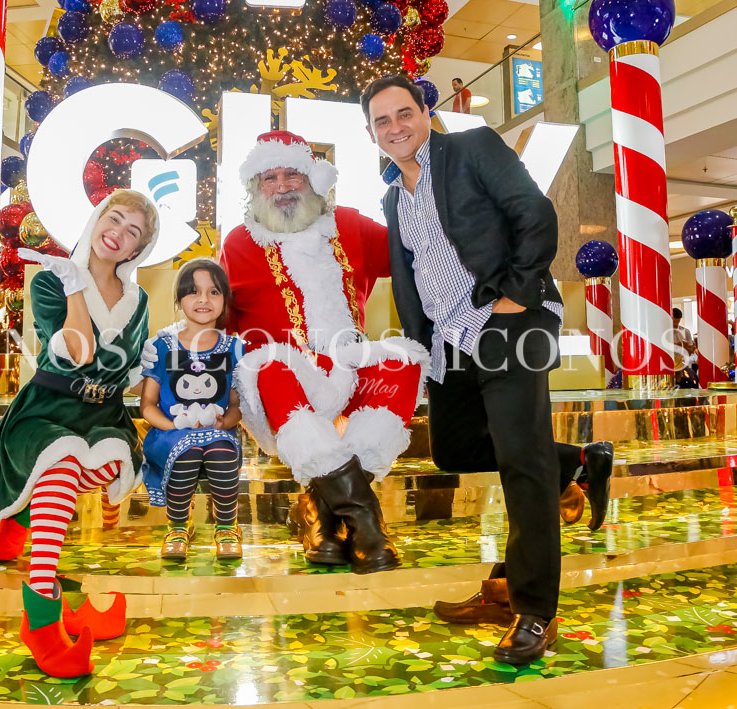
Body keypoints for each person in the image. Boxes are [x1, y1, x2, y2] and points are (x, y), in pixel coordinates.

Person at [362, 75, 614, 665]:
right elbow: (412, 273)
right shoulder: (394, 194)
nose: (396, 127)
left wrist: (516, 297)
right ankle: (579, 461)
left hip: (507, 324)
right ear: (370, 132)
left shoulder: (471, 150)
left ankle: (530, 610)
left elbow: (535, 213)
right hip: (448, 340)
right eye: (381, 121)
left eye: (405, 113)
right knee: (455, 448)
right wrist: (420, 343)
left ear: (426, 111)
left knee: (522, 466)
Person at [0, 189, 157, 678]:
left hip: (104, 416)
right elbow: (80, 352)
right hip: (45, 409)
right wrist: (74, 287)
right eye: (115, 218)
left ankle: (21, 521)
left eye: (134, 232)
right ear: (98, 218)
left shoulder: (138, 299)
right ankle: (41, 613)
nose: (119, 233)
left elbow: (123, 368)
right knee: (60, 463)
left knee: (110, 466)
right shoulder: (51, 279)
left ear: (136, 250)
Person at [218, 130, 429, 575]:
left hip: (346, 371)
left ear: (314, 178)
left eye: (292, 173)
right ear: (256, 189)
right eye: (269, 177)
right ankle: (367, 524)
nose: (283, 185)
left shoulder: (351, 225)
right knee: (269, 362)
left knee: (405, 359)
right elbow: (220, 318)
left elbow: (414, 252)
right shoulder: (239, 242)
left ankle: (319, 512)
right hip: (280, 386)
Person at [139, 259, 244, 561]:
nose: (203, 300)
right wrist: (173, 427)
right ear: (180, 299)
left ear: (225, 299)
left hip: (217, 433)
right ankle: (178, 526)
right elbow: (148, 405)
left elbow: (237, 405)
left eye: (213, 292)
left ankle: (227, 526)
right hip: (171, 434)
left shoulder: (235, 348)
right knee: (186, 452)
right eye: (193, 292)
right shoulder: (161, 347)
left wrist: (225, 423)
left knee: (221, 452)